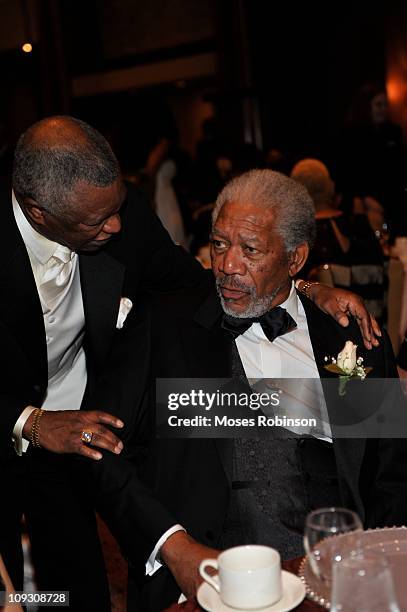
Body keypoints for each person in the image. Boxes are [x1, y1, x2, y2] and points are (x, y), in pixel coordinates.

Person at [0, 116, 381, 611]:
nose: (116, 228)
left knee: (73, 591)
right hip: (18, 413)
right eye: (97, 224)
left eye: (247, 249)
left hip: (79, 423)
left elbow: (191, 277)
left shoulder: (114, 209)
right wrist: (31, 420)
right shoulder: (162, 338)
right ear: (40, 212)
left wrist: (303, 290)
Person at [136, 169, 407, 610]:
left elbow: (390, 480)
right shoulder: (171, 325)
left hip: (334, 578)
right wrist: (172, 547)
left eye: (250, 250)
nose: (227, 265)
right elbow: (116, 454)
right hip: (217, 578)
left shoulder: (352, 340)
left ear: (295, 259)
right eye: (219, 245)